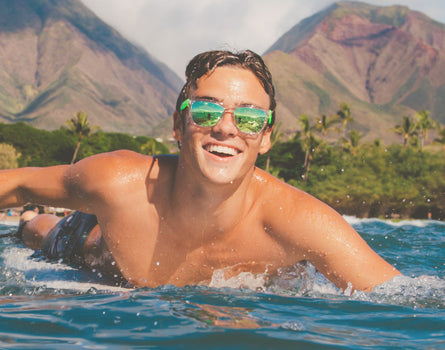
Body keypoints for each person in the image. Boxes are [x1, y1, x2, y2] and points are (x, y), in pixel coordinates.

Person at [2, 50, 401, 291]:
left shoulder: (300, 221)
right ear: (178, 126)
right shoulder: (120, 182)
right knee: (44, 233)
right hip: (93, 247)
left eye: (247, 118)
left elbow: (401, 299)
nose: (226, 128)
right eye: (207, 111)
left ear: (265, 137)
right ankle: (29, 224)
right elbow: (18, 182)